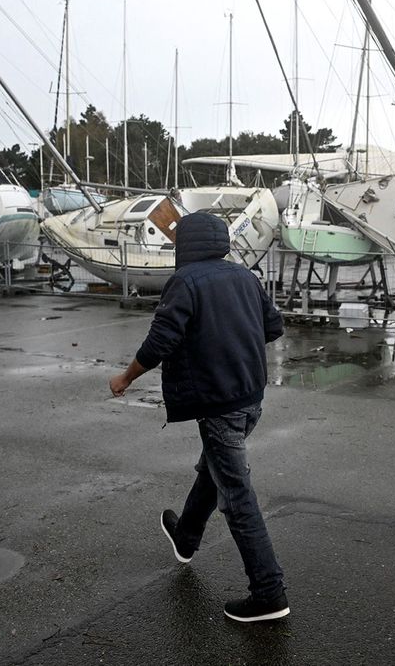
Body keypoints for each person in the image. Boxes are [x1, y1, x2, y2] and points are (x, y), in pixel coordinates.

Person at [109, 210, 288, 623]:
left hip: (219, 402)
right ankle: (186, 537)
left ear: (185, 244)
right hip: (251, 397)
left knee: (237, 496)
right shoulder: (245, 277)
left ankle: (269, 593)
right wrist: (234, 339)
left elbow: (160, 341)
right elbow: (273, 327)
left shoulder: (185, 282)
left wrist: (125, 377)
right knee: (215, 471)